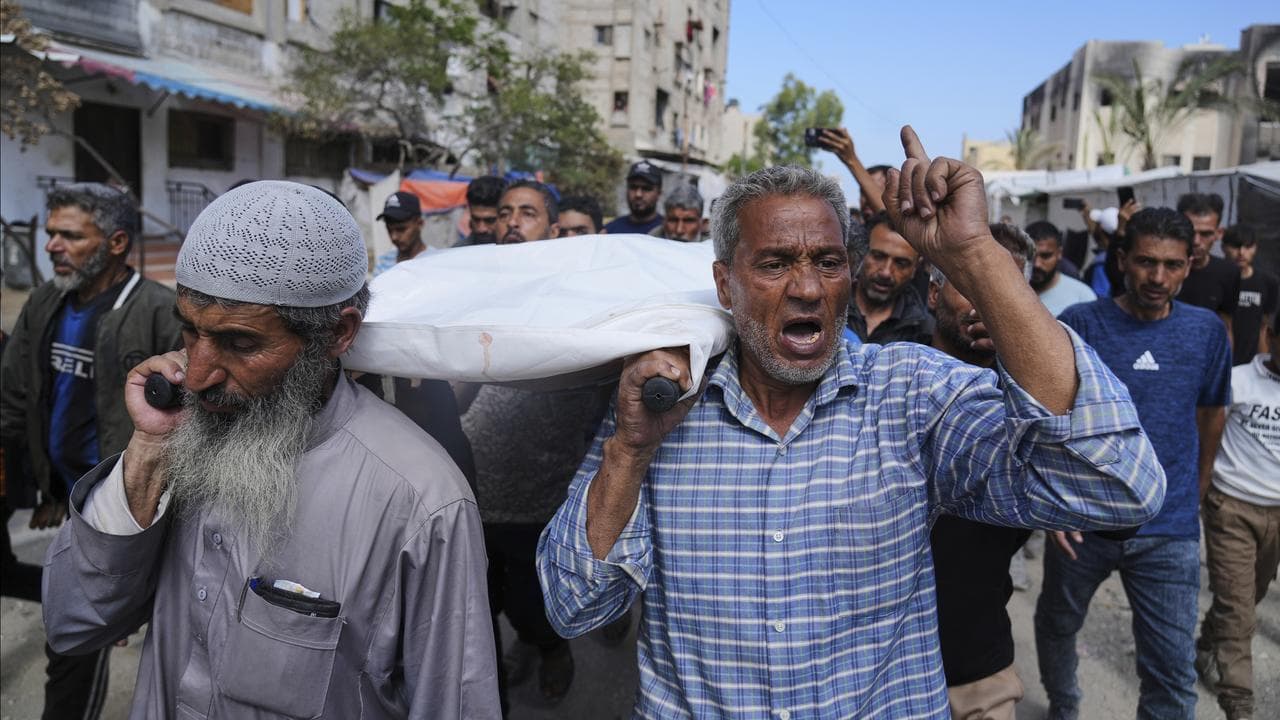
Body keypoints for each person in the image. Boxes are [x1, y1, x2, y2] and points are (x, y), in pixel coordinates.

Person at [537, 129, 1165, 719]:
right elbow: (575, 607)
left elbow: (1115, 483)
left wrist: (974, 256)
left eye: (829, 262)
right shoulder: (662, 410)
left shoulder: (910, 393)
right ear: (725, 284)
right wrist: (629, 451)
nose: (808, 288)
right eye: (776, 263)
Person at [40, 181, 499, 719]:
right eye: (189, 333)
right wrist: (147, 451)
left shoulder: (421, 503)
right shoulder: (184, 437)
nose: (201, 373)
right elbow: (73, 622)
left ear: (336, 335)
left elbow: (456, 706)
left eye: (240, 343)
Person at [1035, 207, 1233, 720]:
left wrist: (1198, 486)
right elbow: (1045, 414)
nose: (1158, 277)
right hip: (1085, 523)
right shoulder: (1080, 324)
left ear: (1190, 265)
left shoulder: (1206, 332)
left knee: (1171, 672)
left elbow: (1212, 412)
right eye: (1146, 262)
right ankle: (1064, 703)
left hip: (1169, 532)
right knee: (1057, 624)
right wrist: (1056, 504)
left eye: (1172, 265)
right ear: (1122, 259)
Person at [0, 183, 182, 720]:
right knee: (72, 625)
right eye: (51, 232)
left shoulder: (157, 313)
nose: (52, 245)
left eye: (70, 235)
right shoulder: (45, 302)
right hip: (66, 496)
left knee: (73, 648)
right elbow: (15, 398)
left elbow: (187, 429)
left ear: (117, 242)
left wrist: (128, 558)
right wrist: (40, 486)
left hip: (114, 510)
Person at [463, 179, 600, 711]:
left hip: (539, 491)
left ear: (554, 229)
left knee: (533, 597)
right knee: (479, 600)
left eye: (528, 213)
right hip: (471, 487)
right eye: (504, 213)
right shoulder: (475, 290)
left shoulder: (579, 301)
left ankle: (550, 649)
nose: (512, 222)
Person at [928, 222, 1037, 720]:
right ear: (933, 293)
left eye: (1002, 290)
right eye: (968, 285)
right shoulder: (877, 378)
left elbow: (1121, 511)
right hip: (870, 670)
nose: (984, 304)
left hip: (976, 671)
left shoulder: (1034, 401)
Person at [1195, 314, 1279, 720]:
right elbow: (1206, 428)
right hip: (1232, 508)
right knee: (1239, 611)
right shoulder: (1239, 380)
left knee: (1249, 596)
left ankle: (1208, 643)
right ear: (1270, 337)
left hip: (1277, 515)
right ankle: (1239, 706)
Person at [846, 211, 933, 344]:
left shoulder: (924, 333)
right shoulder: (830, 308)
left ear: (915, 268)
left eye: (901, 263)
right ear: (862, 253)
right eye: (878, 256)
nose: (886, 272)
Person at [1176, 192, 1239, 334]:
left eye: (1205, 234)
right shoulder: (1161, 270)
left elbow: (1226, 326)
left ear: (1219, 233)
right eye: (1190, 232)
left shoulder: (1228, 273)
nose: (1196, 241)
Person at [1220, 225, 1277, 365]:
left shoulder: (1268, 282)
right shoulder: (1215, 278)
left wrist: (1261, 366)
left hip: (1249, 365)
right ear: (1223, 247)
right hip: (1218, 360)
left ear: (1255, 248)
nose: (1241, 253)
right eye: (1235, 246)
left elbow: (1263, 328)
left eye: (1247, 246)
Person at [815, 127, 889, 222]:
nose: (867, 199)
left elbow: (886, 215)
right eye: (863, 192)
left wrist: (852, 160)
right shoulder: (849, 230)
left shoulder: (902, 233)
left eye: (874, 189)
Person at [1026, 220, 1097, 316]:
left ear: (1059, 253)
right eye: (1031, 255)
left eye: (1046, 256)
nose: (1037, 264)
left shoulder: (1083, 297)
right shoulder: (1009, 290)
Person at [372, 190, 425, 276]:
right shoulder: (383, 263)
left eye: (401, 229)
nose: (394, 237)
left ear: (419, 223)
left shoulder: (434, 261)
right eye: (389, 230)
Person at [604, 161, 663, 234]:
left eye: (646, 188)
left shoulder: (668, 231)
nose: (638, 194)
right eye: (633, 187)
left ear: (659, 193)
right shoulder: (610, 231)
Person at [458, 175, 507, 246]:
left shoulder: (523, 250)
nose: (481, 229)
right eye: (476, 219)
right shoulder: (458, 253)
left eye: (490, 221)